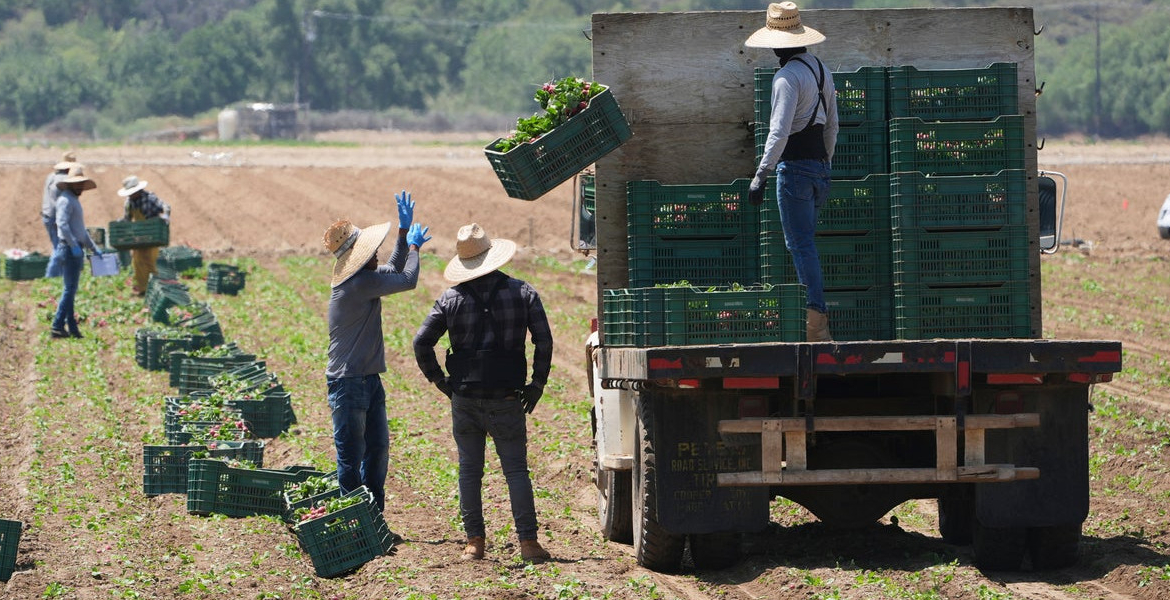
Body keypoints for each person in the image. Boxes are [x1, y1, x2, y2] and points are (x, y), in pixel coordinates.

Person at [412, 223, 553, 563]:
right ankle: (529, 544)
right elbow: (544, 341)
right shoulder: (523, 292)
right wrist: (537, 384)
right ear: (492, 254)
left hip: (465, 398)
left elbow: (421, 342)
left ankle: (474, 543)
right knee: (516, 472)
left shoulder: (450, 299)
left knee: (470, 472)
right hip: (507, 397)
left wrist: (441, 382)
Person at [323, 190, 431, 513]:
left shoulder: (364, 277)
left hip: (368, 379)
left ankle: (374, 518)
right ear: (359, 257)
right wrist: (414, 247)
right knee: (351, 457)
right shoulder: (358, 285)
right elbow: (407, 278)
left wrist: (403, 231)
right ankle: (357, 523)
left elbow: (393, 269)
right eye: (372, 251)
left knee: (377, 450)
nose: (377, 254)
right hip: (348, 383)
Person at [746, 2, 839, 342]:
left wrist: (761, 174)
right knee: (805, 242)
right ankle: (813, 318)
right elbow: (832, 126)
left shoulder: (786, 78)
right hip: (819, 167)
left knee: (801, 245)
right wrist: (825, 163)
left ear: (776, 44)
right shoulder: (821, 70)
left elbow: (779, 131)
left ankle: (816, 323)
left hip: (795, 169)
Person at [48, 164, 102, 339]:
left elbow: (80, 230)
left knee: (70, 289)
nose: (80, 187)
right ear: (70, 184)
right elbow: (62, 225)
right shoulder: (65, 200)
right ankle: (57, 325)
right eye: (77, 184)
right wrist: (73, 245)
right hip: (69, 249)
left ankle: (72, 328)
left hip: (74, 248)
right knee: (69, 289)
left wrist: (92, 247)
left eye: (81, 184)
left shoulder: (73, 199)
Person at [118, 176, 171, 295]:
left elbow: (166, 207)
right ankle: (142, 289)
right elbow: (127, 219)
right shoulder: (129, 203)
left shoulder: (150, 198)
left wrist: (165, 217)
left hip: (152, 235)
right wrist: (122, 225)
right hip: (138, 236)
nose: (131, 195)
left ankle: (155, 290)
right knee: (137, 261)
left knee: (150, 261)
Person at [42, 151, 76, 249]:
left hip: (47, 215)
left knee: (57, 245)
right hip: (57, 217)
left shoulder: (51, 176)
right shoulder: (66, 179)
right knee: (61, 248)